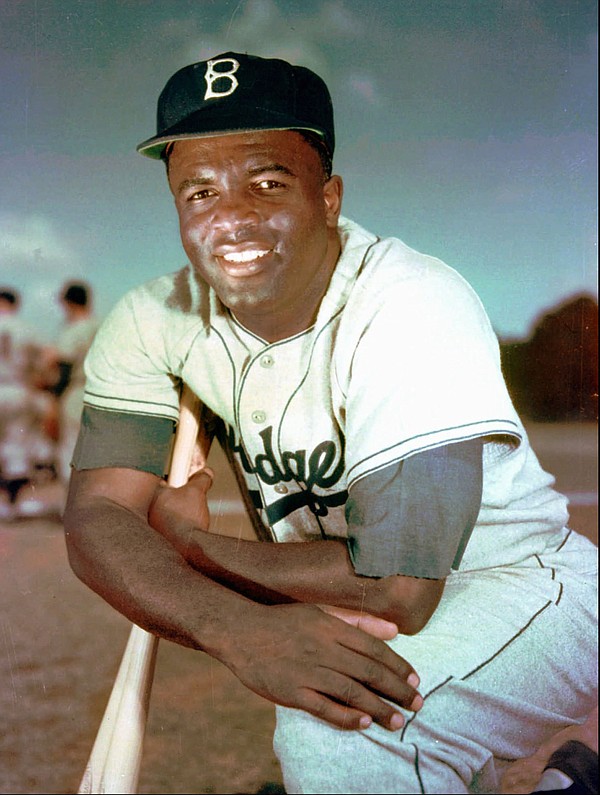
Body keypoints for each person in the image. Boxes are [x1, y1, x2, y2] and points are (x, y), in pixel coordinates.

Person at [63, 52, 597, 793]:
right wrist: (229, 625)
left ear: (329, 197)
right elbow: (97, 514)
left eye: (267, 182)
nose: (232, 218)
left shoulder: (410, 302)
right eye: (200, 192)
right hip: (349, 596)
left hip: (520, 588)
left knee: (341, 738)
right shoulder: (155, 319)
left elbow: (399, 587)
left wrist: (189, 541)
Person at [0, 287, 55, 518]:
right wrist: (39, 377)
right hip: (18, 389)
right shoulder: (25, 328)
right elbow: (49, 354)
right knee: (17, 446)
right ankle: (12, 503)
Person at [40, 281, 99, 485]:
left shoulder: (73, 329)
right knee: (94, 452)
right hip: (102, 392)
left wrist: (54, 401)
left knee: (70, 450)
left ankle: (72, 508)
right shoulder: (100, 325)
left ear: (69, 303)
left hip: (76, 391)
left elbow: (63, 370)